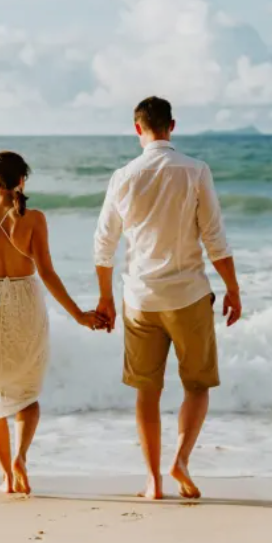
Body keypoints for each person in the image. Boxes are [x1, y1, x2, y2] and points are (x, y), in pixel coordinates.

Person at [93, 97, 242, 501]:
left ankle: (153, 481)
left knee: (147, 390)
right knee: (196, 385)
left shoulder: (123, 176)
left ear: (137, 128)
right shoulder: (195, 170)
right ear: (171, 126)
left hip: (140, 297)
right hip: (189, 295)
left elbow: (103, 244)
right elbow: (214, 237)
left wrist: (106, 298)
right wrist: (233, 288)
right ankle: (180, 459)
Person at [0, 151, 106, 496]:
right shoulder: (35, 219)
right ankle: (21, 458)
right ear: (22, 179)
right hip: (26, 305)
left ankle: (7, 478)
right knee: (27, 393)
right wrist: (79, 315)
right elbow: (47, 272)